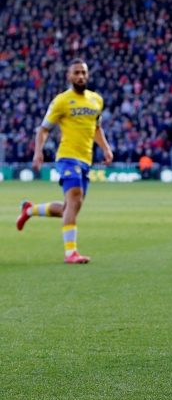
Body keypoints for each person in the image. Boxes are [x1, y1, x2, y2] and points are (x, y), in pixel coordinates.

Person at [16, 59, 114, 263]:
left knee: (69, 208)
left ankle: (29, 209)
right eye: (76, 72)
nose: (81, 76)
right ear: (68, 76)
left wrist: (105, 148)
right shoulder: (61, 100)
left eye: (84, 73)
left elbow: (96, 128)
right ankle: (71, 253)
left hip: (86, 159)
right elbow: (43, 129)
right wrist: (38, 152)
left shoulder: (96, 100)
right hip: (67, 157)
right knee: (75, 200)